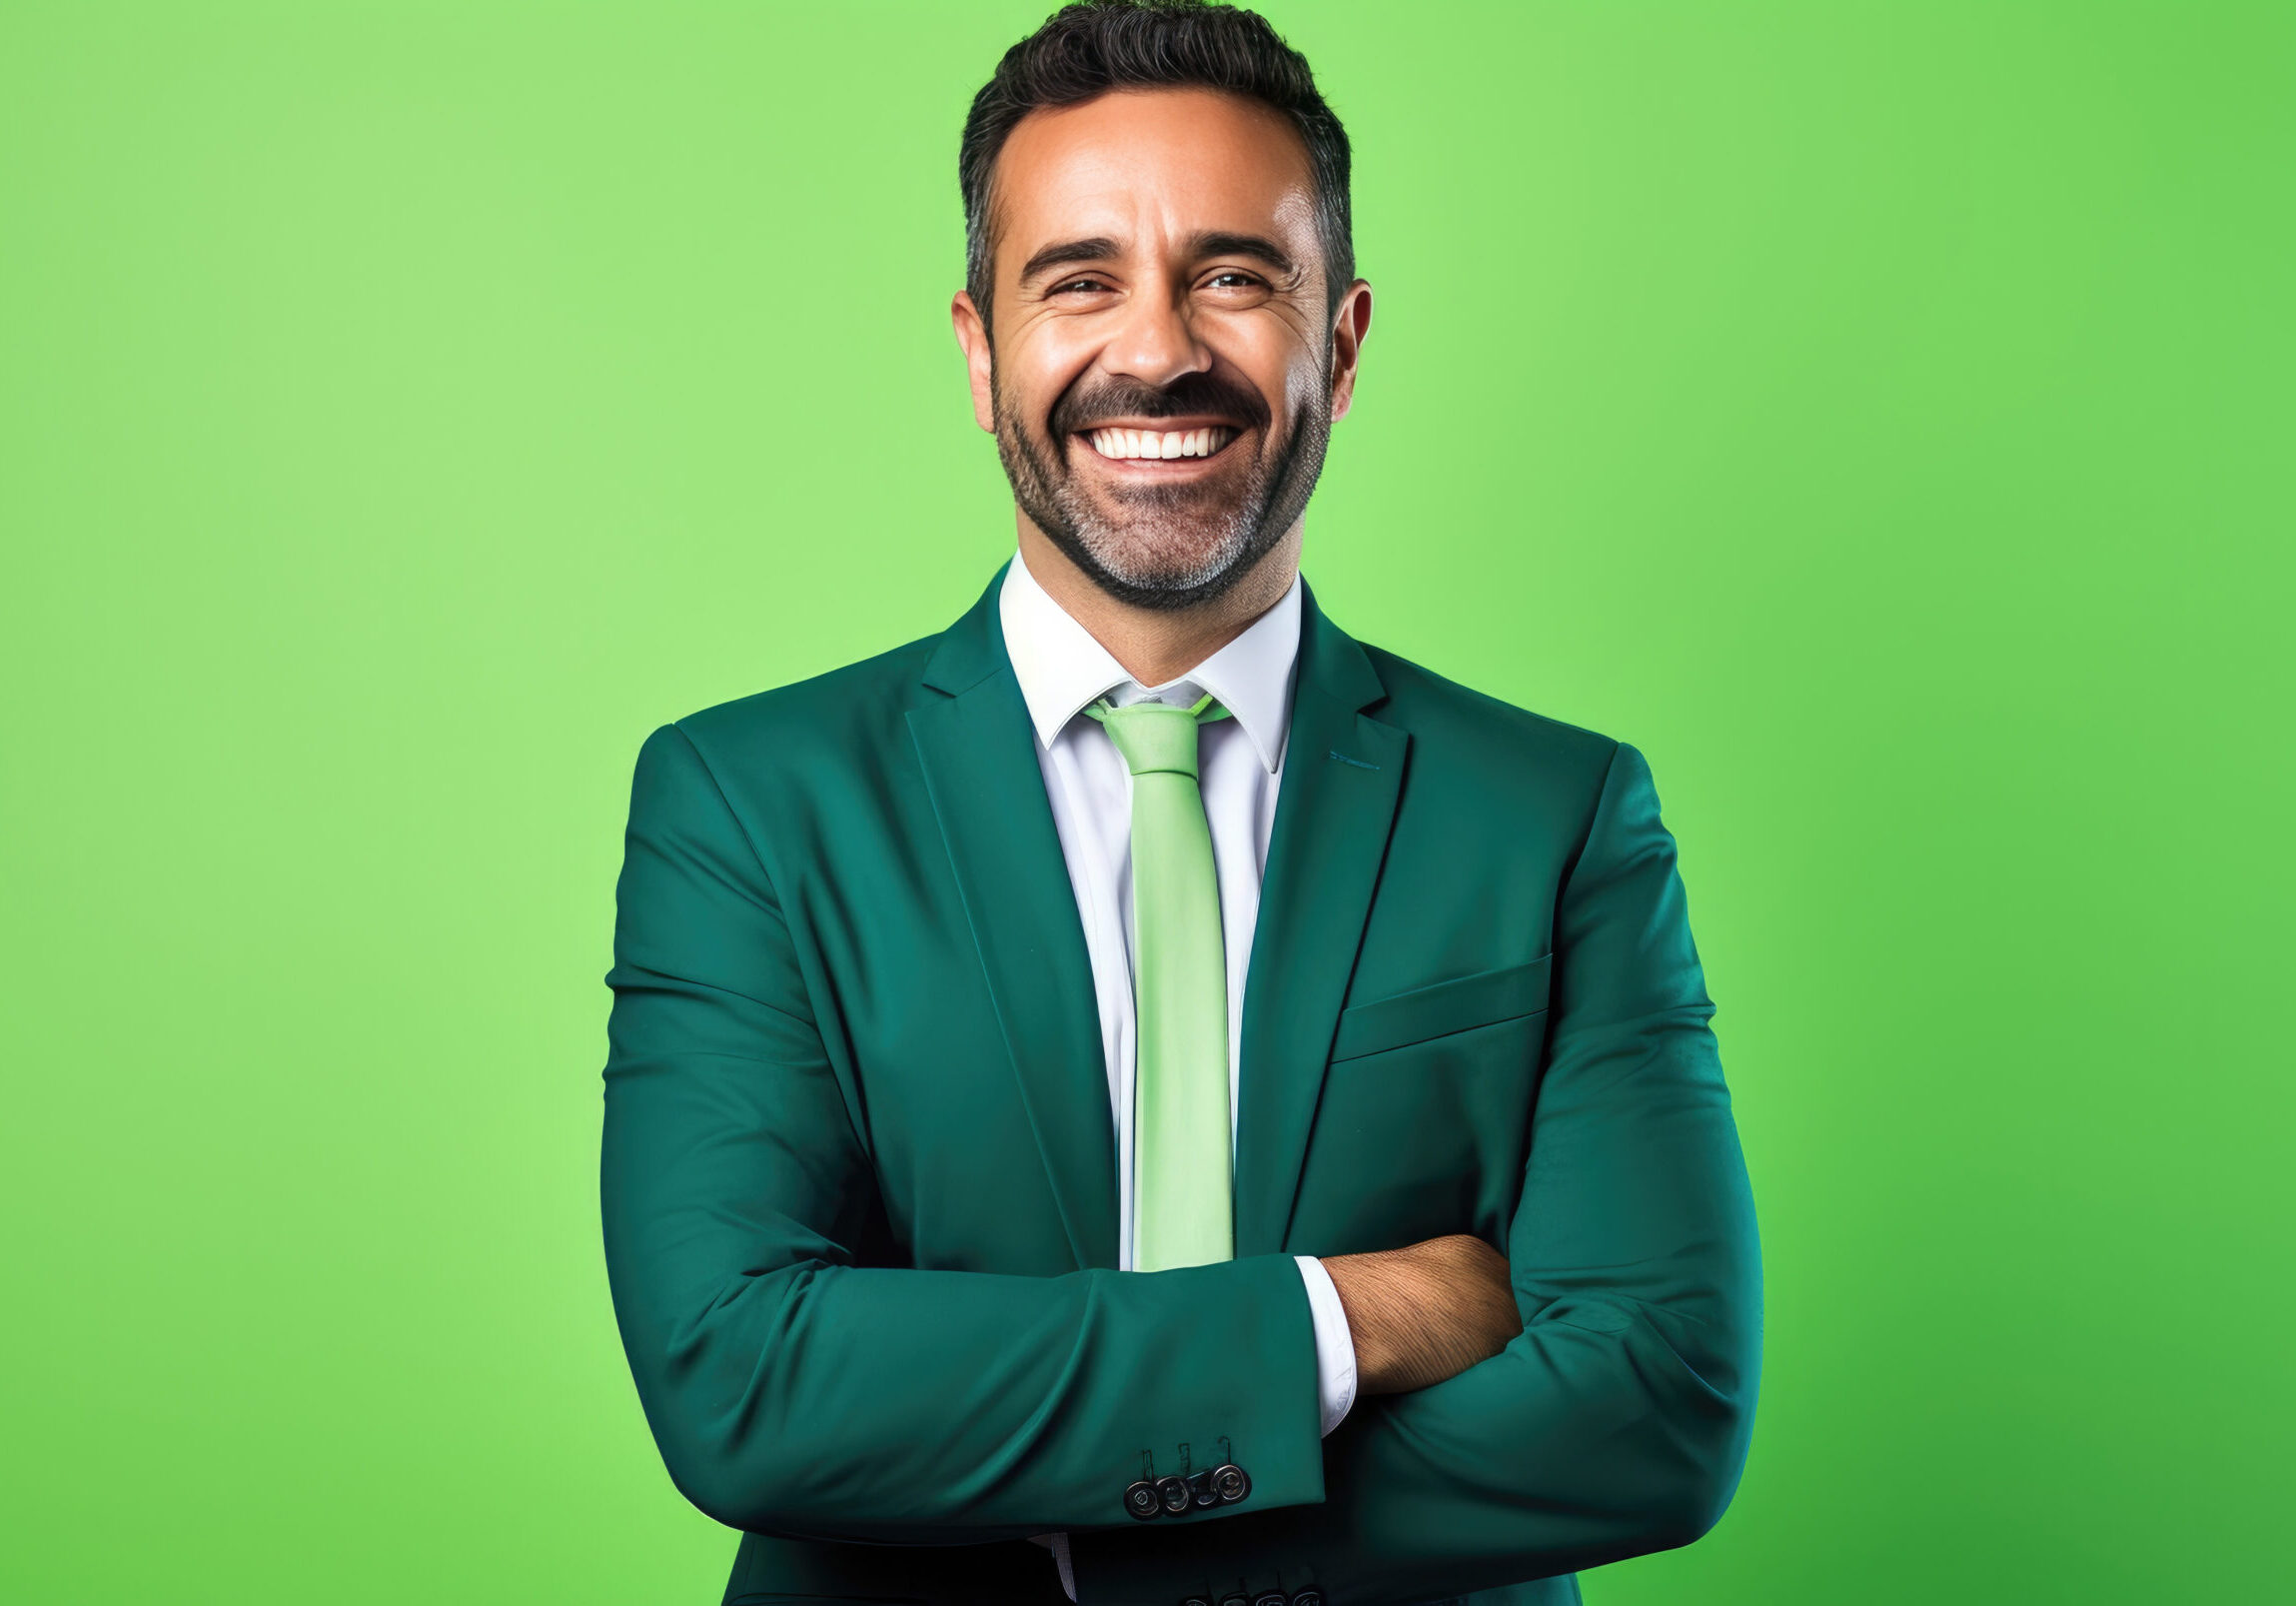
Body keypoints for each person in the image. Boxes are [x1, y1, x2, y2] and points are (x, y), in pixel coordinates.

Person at [599, 4, 1760, 1603]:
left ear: (1337, 347)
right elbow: (741, 1381)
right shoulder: (748, 804)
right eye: (1079, 279)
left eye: (1230, 275)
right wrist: (1342, 1321)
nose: (1155, 349)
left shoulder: (1550, 817)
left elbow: (1658, 1411)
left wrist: (1063, 1513)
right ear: (977, 347)